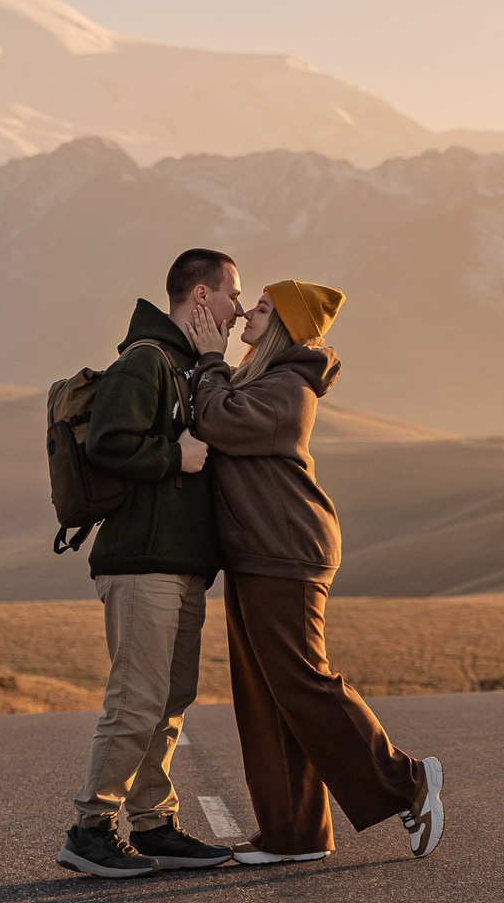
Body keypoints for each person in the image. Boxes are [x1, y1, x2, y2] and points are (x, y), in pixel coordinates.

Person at [186, 279, 444, 864]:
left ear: (285, 325)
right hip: (258, 550)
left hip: (287, 549)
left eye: (263, 308)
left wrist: (208, 359)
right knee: (266, 693)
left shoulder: (290, 388)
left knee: (303, 681)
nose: (249, 311)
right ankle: (294, 834)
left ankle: (408, 780)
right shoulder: (263, 378)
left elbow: (221, 423)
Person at [55, 248, 247, 878]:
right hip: (142, 563)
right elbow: (111, 440)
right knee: (137, 700)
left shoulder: (190, 368)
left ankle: (153, 822)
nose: (237, 309)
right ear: (200, 298)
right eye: (230, 295)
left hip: (179, 563)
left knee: (170, 699)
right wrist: (175, 458)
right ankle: (90, 828)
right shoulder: (145, 362)